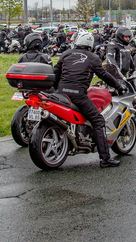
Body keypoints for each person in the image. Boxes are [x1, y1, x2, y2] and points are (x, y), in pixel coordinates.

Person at [53, 30, 126, 168]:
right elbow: (104, 75)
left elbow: (56, 74)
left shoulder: (65, 54)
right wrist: (118, 86)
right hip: (78, 95)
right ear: (90, 42)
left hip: (61, 94)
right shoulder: (93, 57)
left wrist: (56, 90)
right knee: (98, 121)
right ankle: (105, 159)